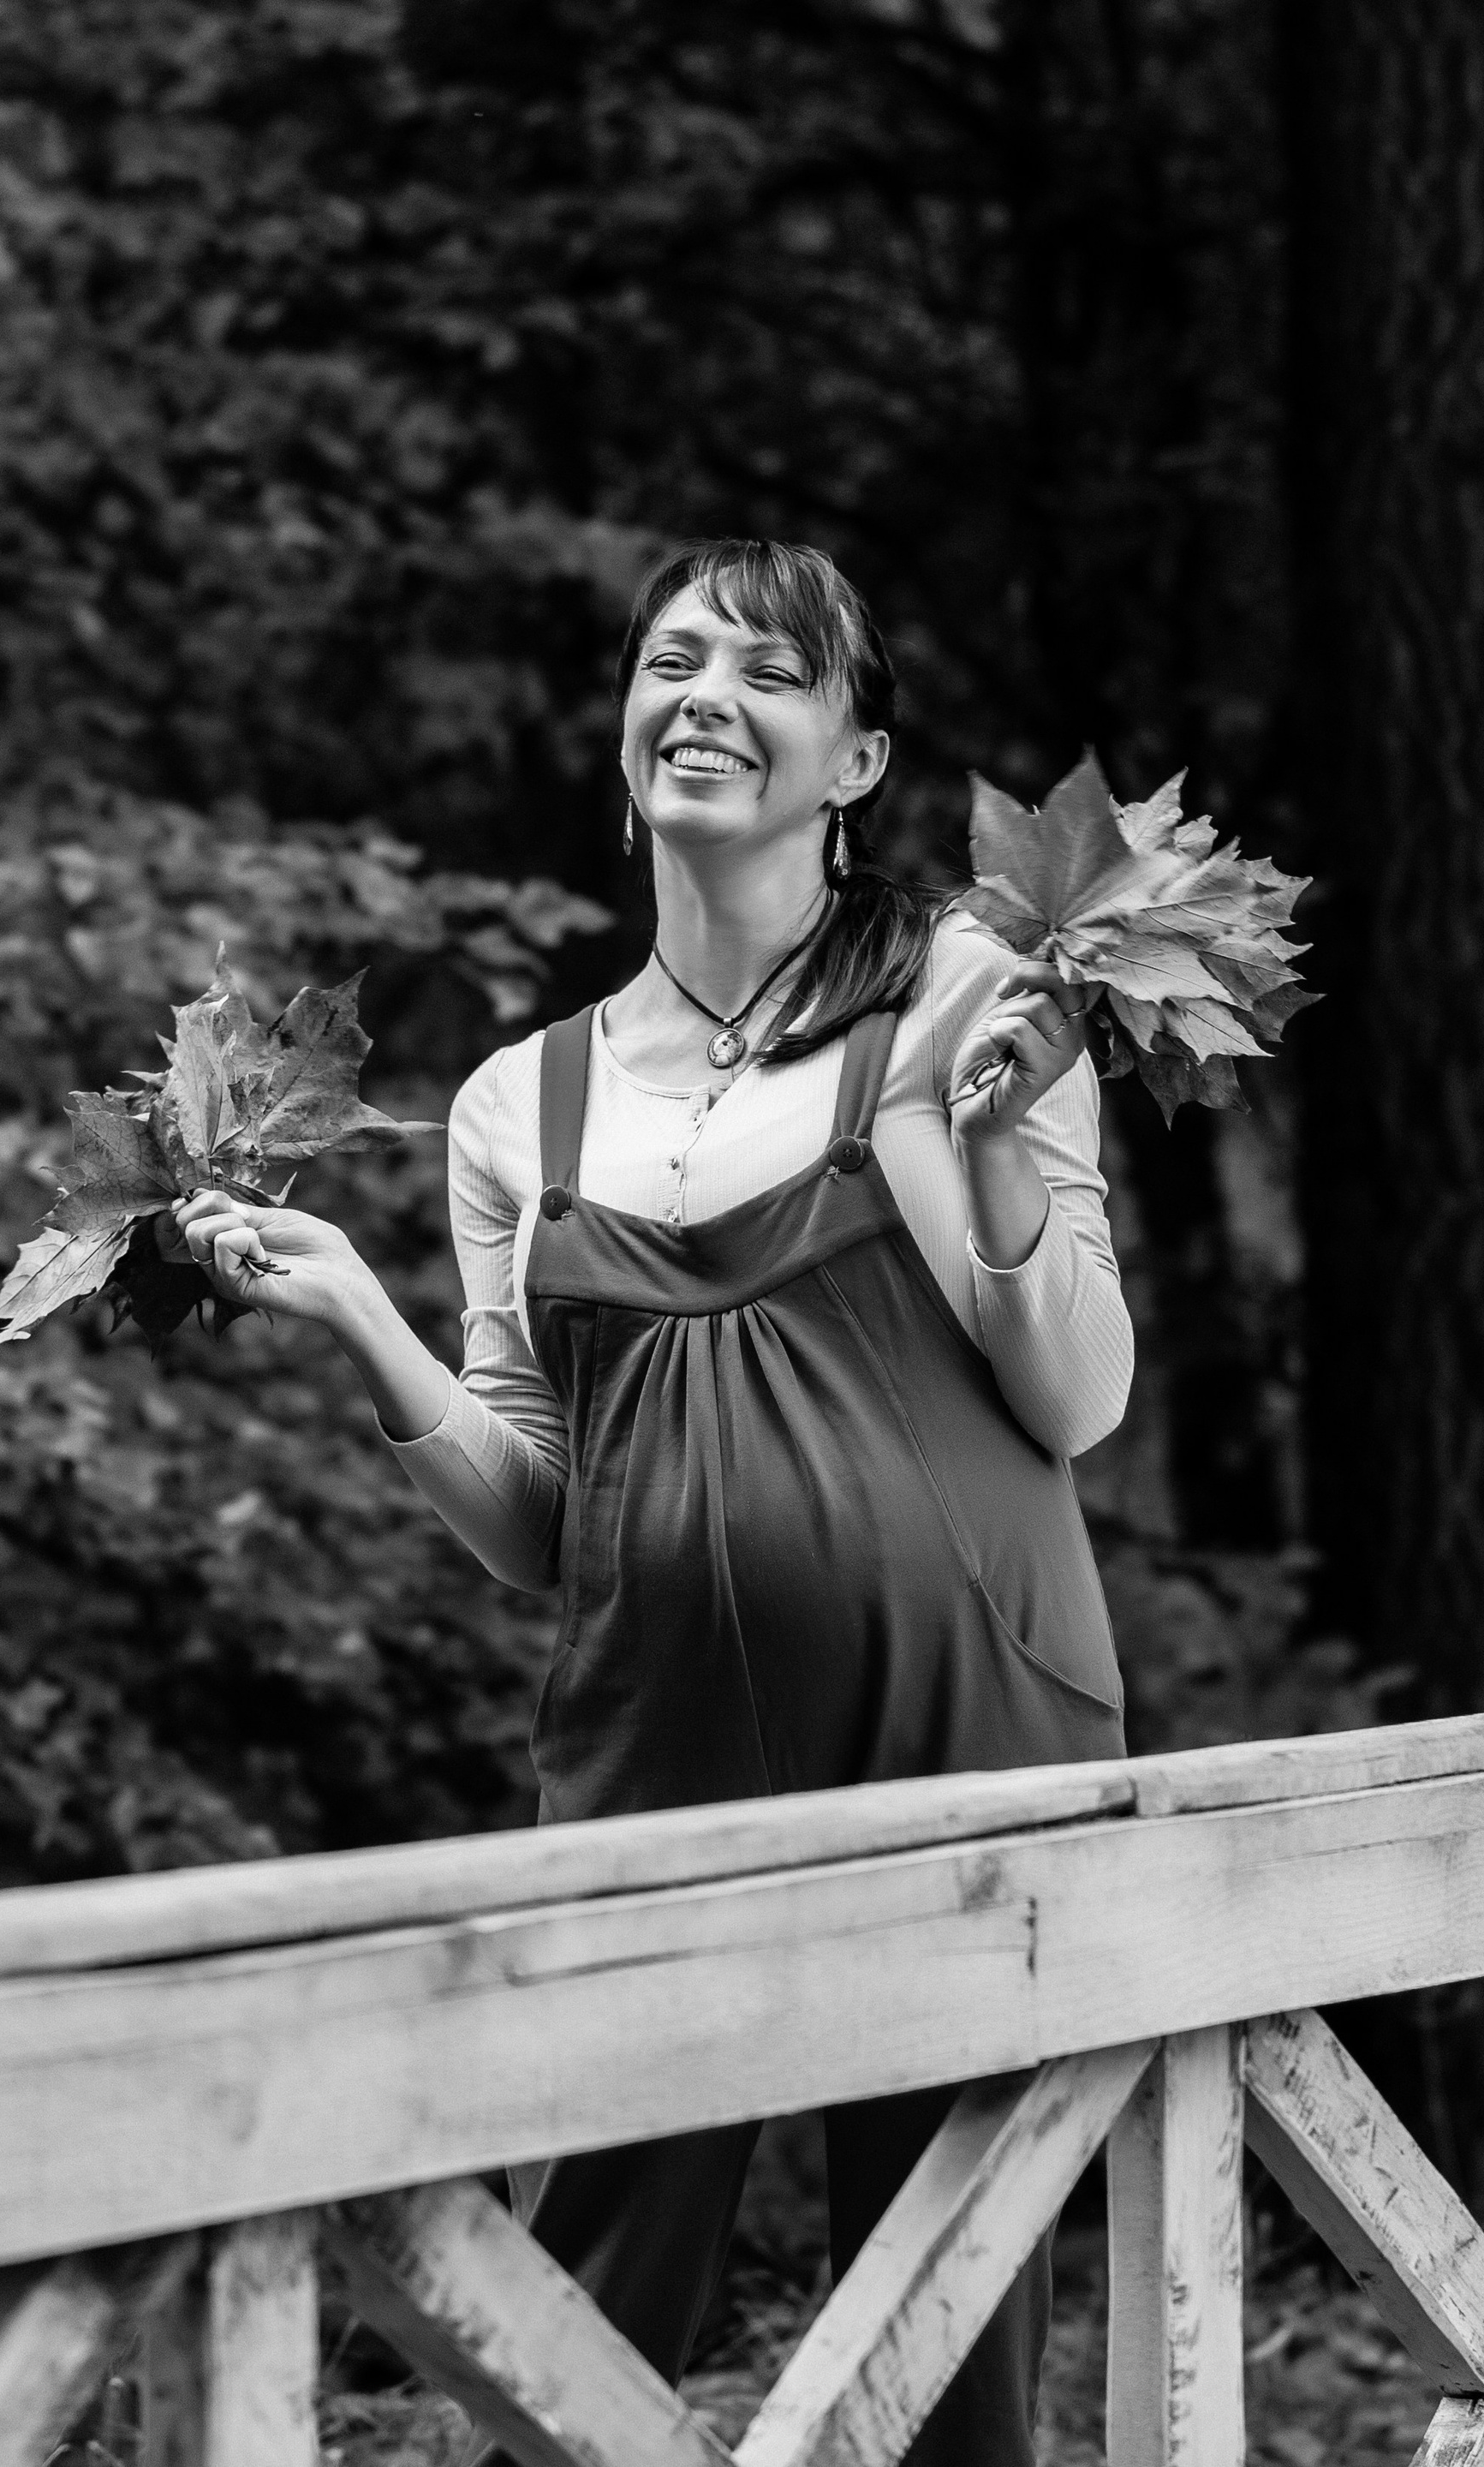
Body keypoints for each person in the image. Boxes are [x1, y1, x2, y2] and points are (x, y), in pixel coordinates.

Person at [166, 538, 1132, 2465]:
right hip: (649, 1738)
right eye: (675, 660)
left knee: (951, 2335)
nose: (708, 696)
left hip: (963, 1718)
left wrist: (1003, 1154)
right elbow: (544, 1519)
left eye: (773, 672)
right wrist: (362, 1318)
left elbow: (1079, 1402)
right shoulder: (516, 1104)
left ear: (859, 763)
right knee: (577, 2305)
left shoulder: (973, 1002)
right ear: (624, 728)